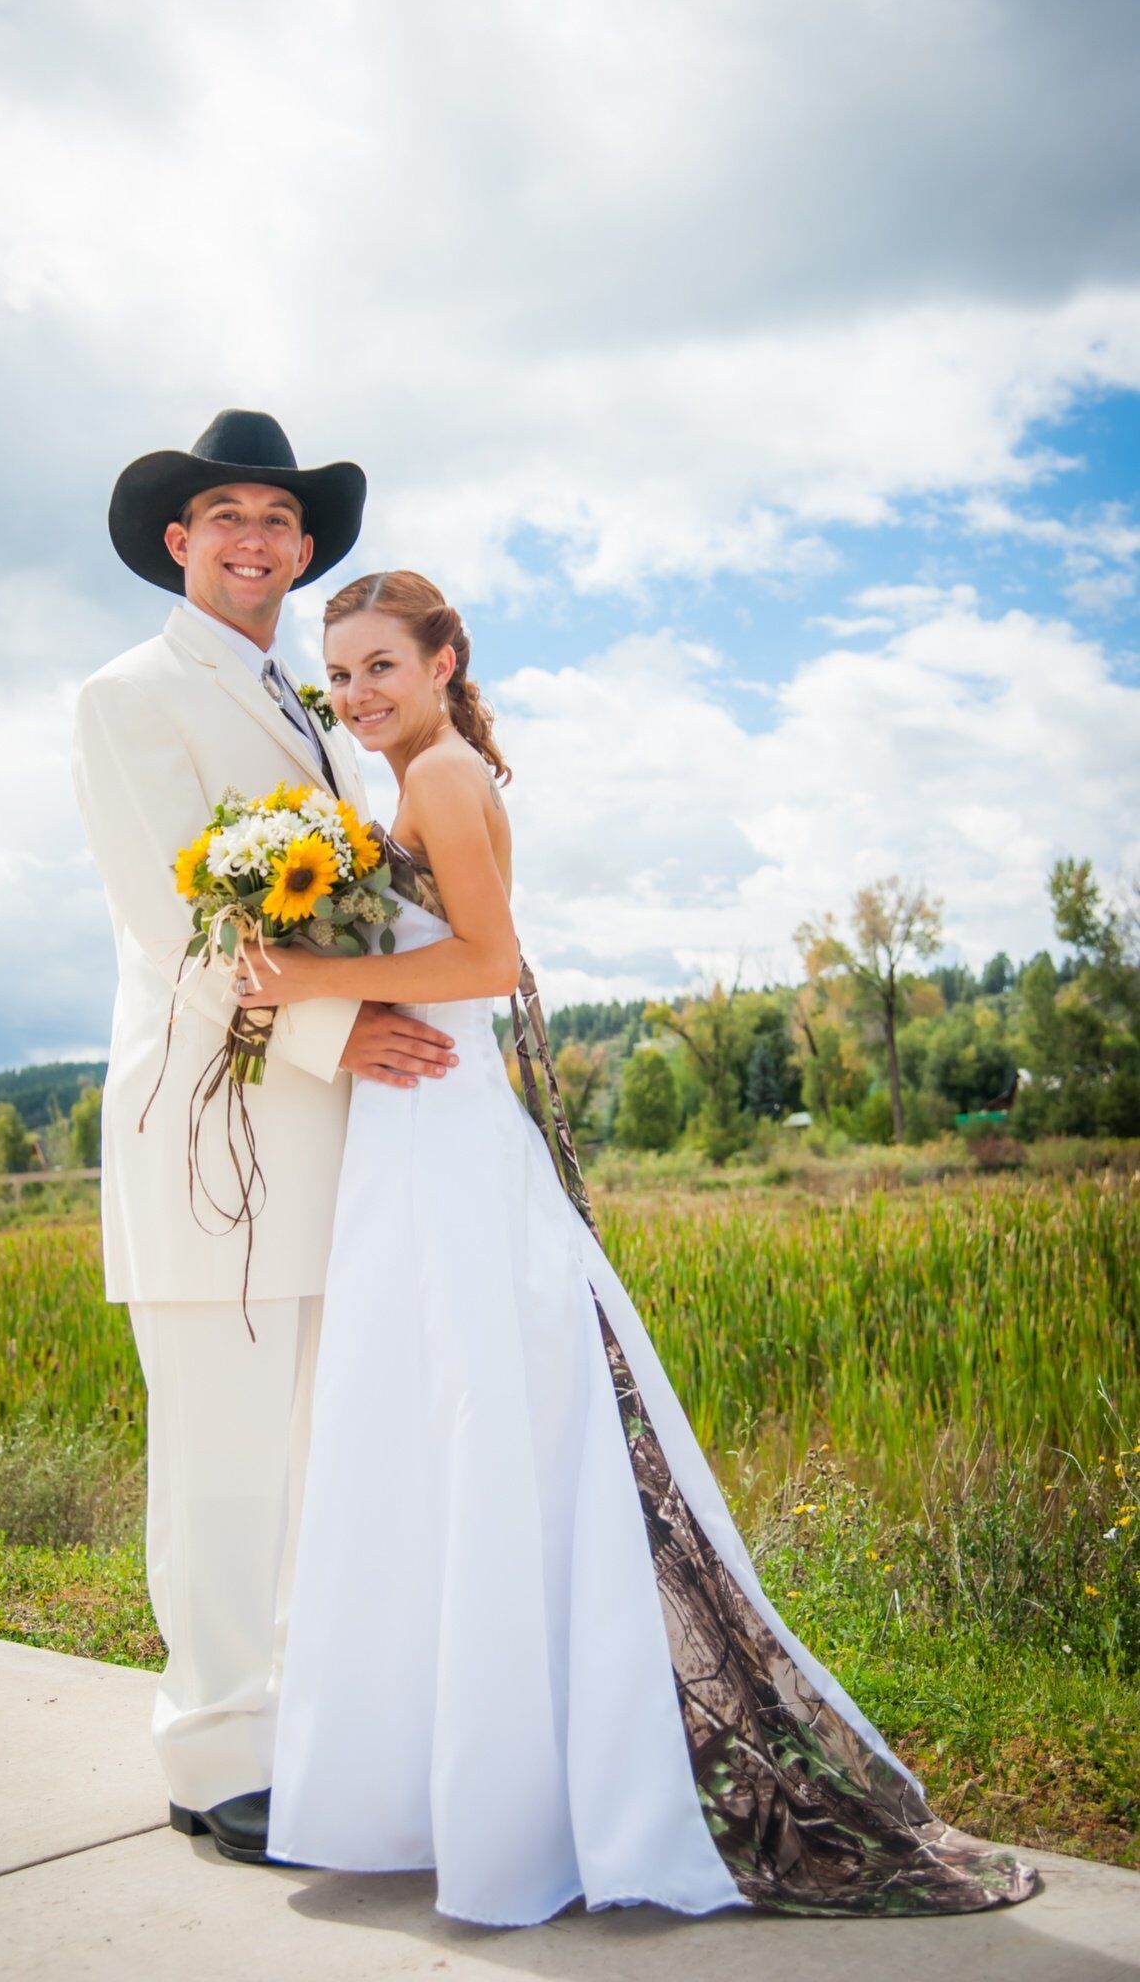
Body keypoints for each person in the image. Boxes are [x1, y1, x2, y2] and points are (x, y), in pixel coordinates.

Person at [234, 569, 1043, 1927]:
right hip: (411, 1132)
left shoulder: (437, 779)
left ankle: (530, 1796)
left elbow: (492, 961)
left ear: (443, 663)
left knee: (483, 1426)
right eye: (341, 674)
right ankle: (461, 1781)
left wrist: (312, 977)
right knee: (432, 1433)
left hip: (446, 1135)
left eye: (382, 665)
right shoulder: (417, 776)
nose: (358, 695)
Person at [70, 414, 459, 1865]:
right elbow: (172, 928)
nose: (253, 539)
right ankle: (216, 1752)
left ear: (304, 549)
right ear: (180, 542)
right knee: (223, 1461)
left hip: (333, 1143)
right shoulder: (130, 696)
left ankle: (309, 1729)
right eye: (224, 514)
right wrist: (334, 1035)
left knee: (310, 1457)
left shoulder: (310, 706)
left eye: (278, 519)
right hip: (210, 1137)